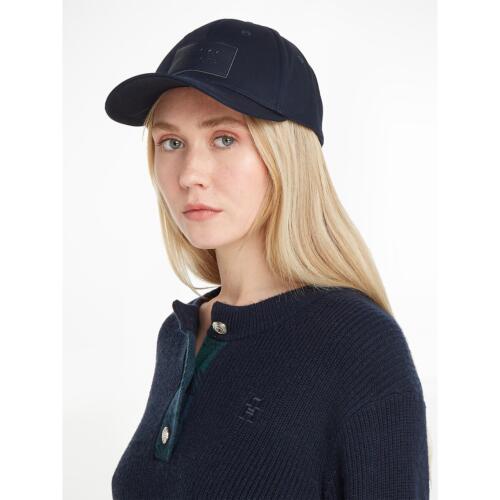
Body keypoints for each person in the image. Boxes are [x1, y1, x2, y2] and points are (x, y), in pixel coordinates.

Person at [105, 18, 430, 499]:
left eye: (225, 139)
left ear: (286, 156)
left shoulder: (358, 346)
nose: (190, 174)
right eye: (171, 142)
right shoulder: (178, 336)